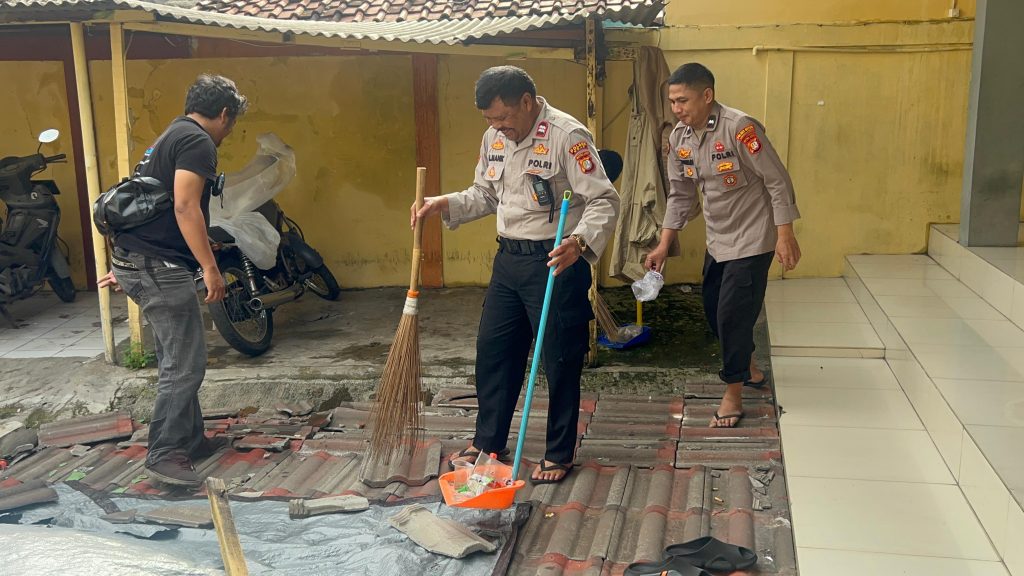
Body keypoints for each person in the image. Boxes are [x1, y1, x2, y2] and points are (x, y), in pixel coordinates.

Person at [412, 66, 619, 484]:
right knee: (494, 351)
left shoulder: (567, 136)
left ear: (527, 102)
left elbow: (603, 200)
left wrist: (579, 243)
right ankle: (489, 441)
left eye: (502, 118)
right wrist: (443, 203)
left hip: (556, 258)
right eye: (489, 120)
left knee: (560, 358)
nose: (497, 127)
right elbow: (485, 194)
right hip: (508, 260)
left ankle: (559, 452)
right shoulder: (494, 139)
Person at [97, 74, 247, 486]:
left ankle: (191, 438)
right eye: (231, 123)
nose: (229, 131)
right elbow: (184, 206)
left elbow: (153, 205)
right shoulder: (198, 142)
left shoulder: (171, 134)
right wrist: (210, 269)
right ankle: (165, 453)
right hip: (158, 267)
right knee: (186, 363)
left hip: (142, 259)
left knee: (175, 354)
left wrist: (131, 262)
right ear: (223, 114)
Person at [645, 63, 801, 428]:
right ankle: (746, 363)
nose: (676, 108)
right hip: (718, 240)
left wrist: (785, 234)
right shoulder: (679, 139)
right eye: (672, 101)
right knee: (715, 310)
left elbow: (777, 181)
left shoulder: (740, 129)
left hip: (754, 236)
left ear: (707, 96)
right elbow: (680, 196)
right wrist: (663, 245)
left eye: (683, 100)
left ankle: (733, 392)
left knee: (732, 315)